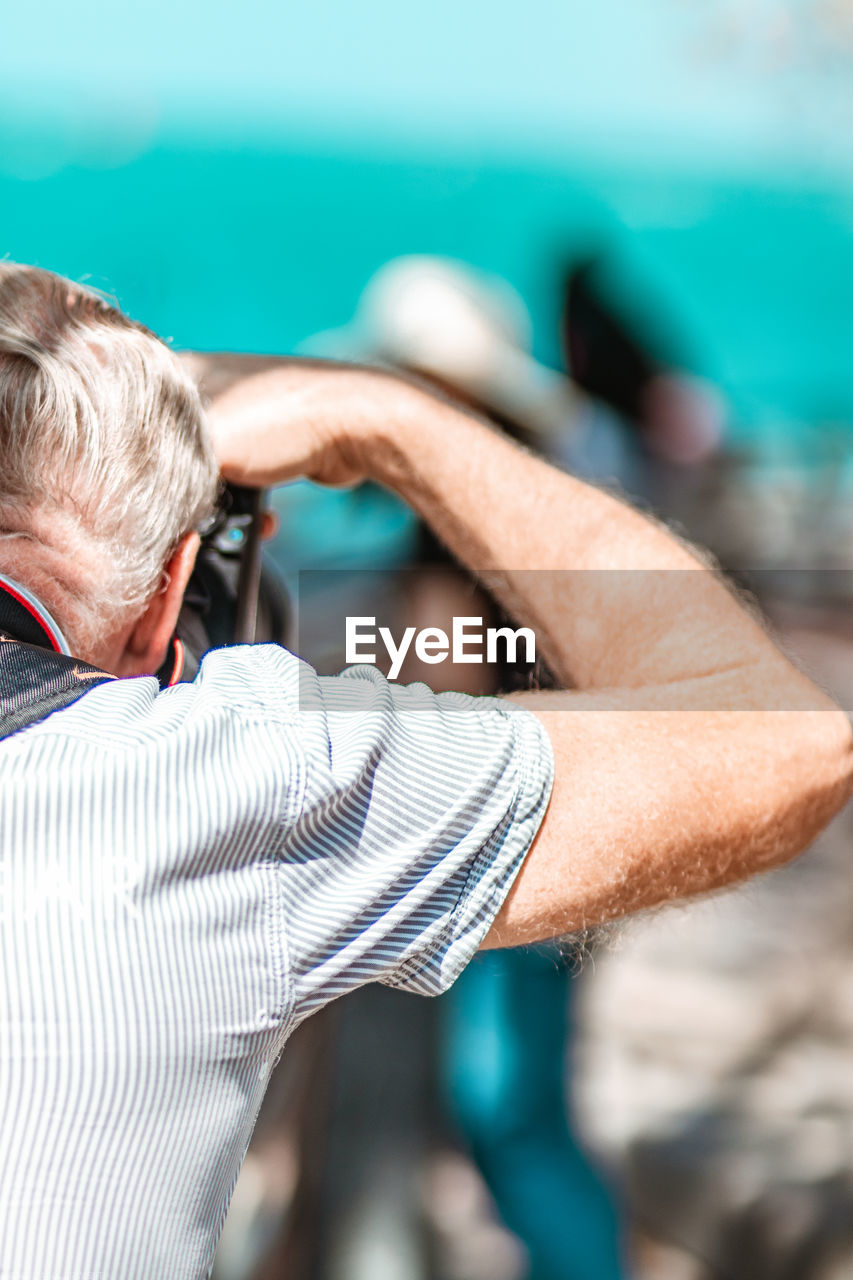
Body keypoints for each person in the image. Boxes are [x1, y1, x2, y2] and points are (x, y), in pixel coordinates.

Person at [0, 262, 849, 1280]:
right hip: (462, 826)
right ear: (169, 588)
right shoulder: (230, 778)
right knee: (500, 1113)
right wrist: (399, 432)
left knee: (502, 1109)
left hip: (463, 841)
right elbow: (779, 740)